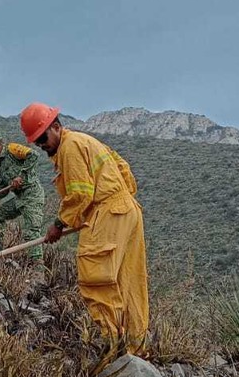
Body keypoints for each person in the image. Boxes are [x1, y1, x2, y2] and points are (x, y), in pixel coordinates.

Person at [19, 103, 149, 355]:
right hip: (127, 210)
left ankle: (113, 345)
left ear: (56, 127)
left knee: (95, 276)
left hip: (110, 210)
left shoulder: (70, 147)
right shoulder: (86, 141)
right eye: (36, 142)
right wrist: (115, 205)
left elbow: (80, 193)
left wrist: (59, 224)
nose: (41, 144)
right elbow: (123, 169)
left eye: (43, 138)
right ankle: (135, 347)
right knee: (128, 280)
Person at [0, 129, 45, 262]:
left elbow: (34, 155)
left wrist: (21, 176)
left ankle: (38, 266)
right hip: (19, 198)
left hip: (32, 195)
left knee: (31, 231)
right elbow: (3, 191)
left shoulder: (12, 149)